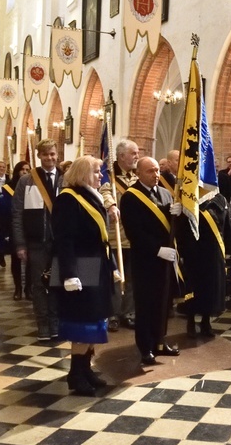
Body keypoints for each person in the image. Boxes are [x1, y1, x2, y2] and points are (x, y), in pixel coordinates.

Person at [51, 156, 114, 395]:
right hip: (79, 267)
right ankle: (75, 375)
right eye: (97, 171)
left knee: (95, 321)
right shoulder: (68, 199)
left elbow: (102, 238)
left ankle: (85, 369)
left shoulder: (91, 196)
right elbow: (64, 240)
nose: (101, 176)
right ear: (82, 173)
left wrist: (113, 266)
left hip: (96, 265)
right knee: (82, 325)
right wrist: (69, 274)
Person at [120, 157, 179, 365]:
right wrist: (157, 250)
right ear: (139, 173)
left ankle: (160, 342)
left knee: (163, 303)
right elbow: (134, 232)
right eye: (150, 171)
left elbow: (170, 228)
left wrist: (177, 216)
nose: (156, 175)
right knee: (145, 305)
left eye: (157, 171)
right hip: (145, 259)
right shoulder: (130, 197)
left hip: (165, 260)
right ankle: (145, 347)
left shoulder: (164, 193)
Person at [12, 139, 62, 341]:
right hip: (36, 242)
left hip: (60, 242)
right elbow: (17, 214)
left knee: (57, 283)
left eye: (52, 154)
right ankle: (42, 324)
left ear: (56, 154)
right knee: (39, 284)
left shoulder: (65, 179)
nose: (49, 158)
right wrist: (20, 244)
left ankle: (56, 322)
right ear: (38, 156)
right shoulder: (27, 181)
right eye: (45, 155)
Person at [175, 192, 229, 338]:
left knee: (210, 289)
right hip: (193, 251)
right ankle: (190, 321)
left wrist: (229, 249)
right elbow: (182, 228)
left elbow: (226, 225)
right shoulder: (188, 196)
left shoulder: (219, 199)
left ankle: (206, 322)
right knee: (192, 288)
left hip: (213, 252)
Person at [100, 140, 140, 332]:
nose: (136, 156)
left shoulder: (137, 177)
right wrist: (111, 205)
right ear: (121, 156)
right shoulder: (108, 176)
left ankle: (129, 312)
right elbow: (104, 193)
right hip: (115, 237)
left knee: (132, 277)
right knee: (115, 278)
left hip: (134, 237)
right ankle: (112, 313)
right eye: (133, 153)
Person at [0, 161, 31, 300]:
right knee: (16, 258)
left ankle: (28, 288)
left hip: (30, 226)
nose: (25, 172)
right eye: (22, 169)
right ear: (17, 171)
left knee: (31, 260)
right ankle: (18, 288)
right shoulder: (8, 187)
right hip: (14, 226)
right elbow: (5, 210)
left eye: (27, 169)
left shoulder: (33, 185)